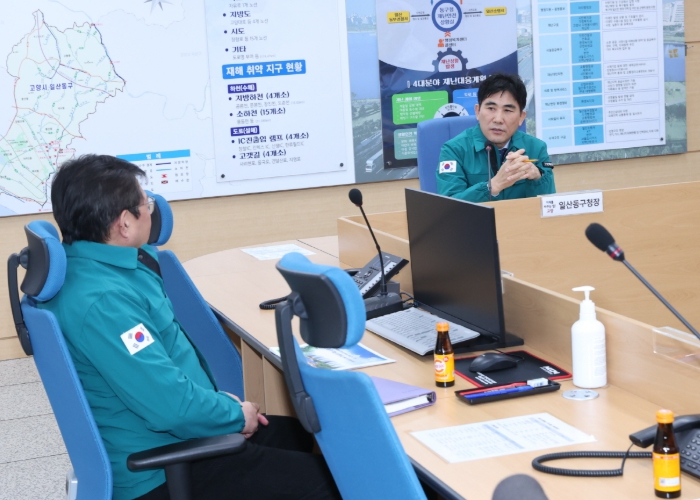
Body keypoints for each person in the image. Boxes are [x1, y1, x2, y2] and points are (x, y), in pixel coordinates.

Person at [39, 155, 341, 500]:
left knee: (305, 434)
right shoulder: (105, 302)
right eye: (146, 204)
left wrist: (218, 404)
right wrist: (233, 414)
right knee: (342, 483)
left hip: (177, 433)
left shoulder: (100, 268)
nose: (152, 211)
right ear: (124, 224)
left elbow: (162, 381)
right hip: (164, 468)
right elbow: (170, 408)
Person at [436, 73, 556, 202]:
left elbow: (550, 204)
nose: (498, 119)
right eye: (491, 108)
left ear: (521, 117)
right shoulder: (453, 150)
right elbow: (450, 206)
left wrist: (538, 177)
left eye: (508, 110)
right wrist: (493, 186)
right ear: (477, 111)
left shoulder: (536, 148)